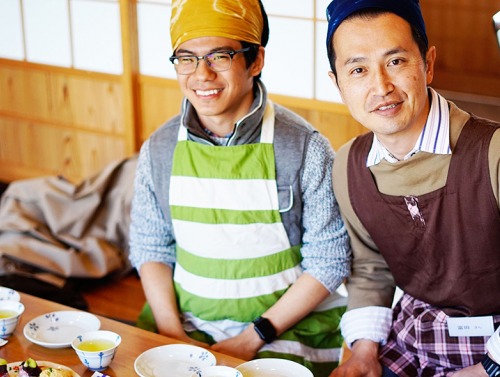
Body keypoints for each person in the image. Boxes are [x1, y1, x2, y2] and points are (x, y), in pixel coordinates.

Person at [128, 0, 351, 375]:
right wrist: (171, 333)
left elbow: (329, 259)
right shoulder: (160, 148)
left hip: (285, 332)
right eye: (186, 58)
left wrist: (253, 336)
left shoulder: (304, 147)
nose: (201, 75)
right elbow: (150, 245)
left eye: (219, 56)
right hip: (186, 325)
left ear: (255, 60)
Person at [324, 0, 500, 376]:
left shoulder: (494, 153)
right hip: (412, 335)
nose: (381, 87)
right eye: (357, 69)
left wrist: (489, 368)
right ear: (337, 84)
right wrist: (364, 352)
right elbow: (371, 268)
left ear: (428, 63)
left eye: (396, 61)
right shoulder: (348, 166)